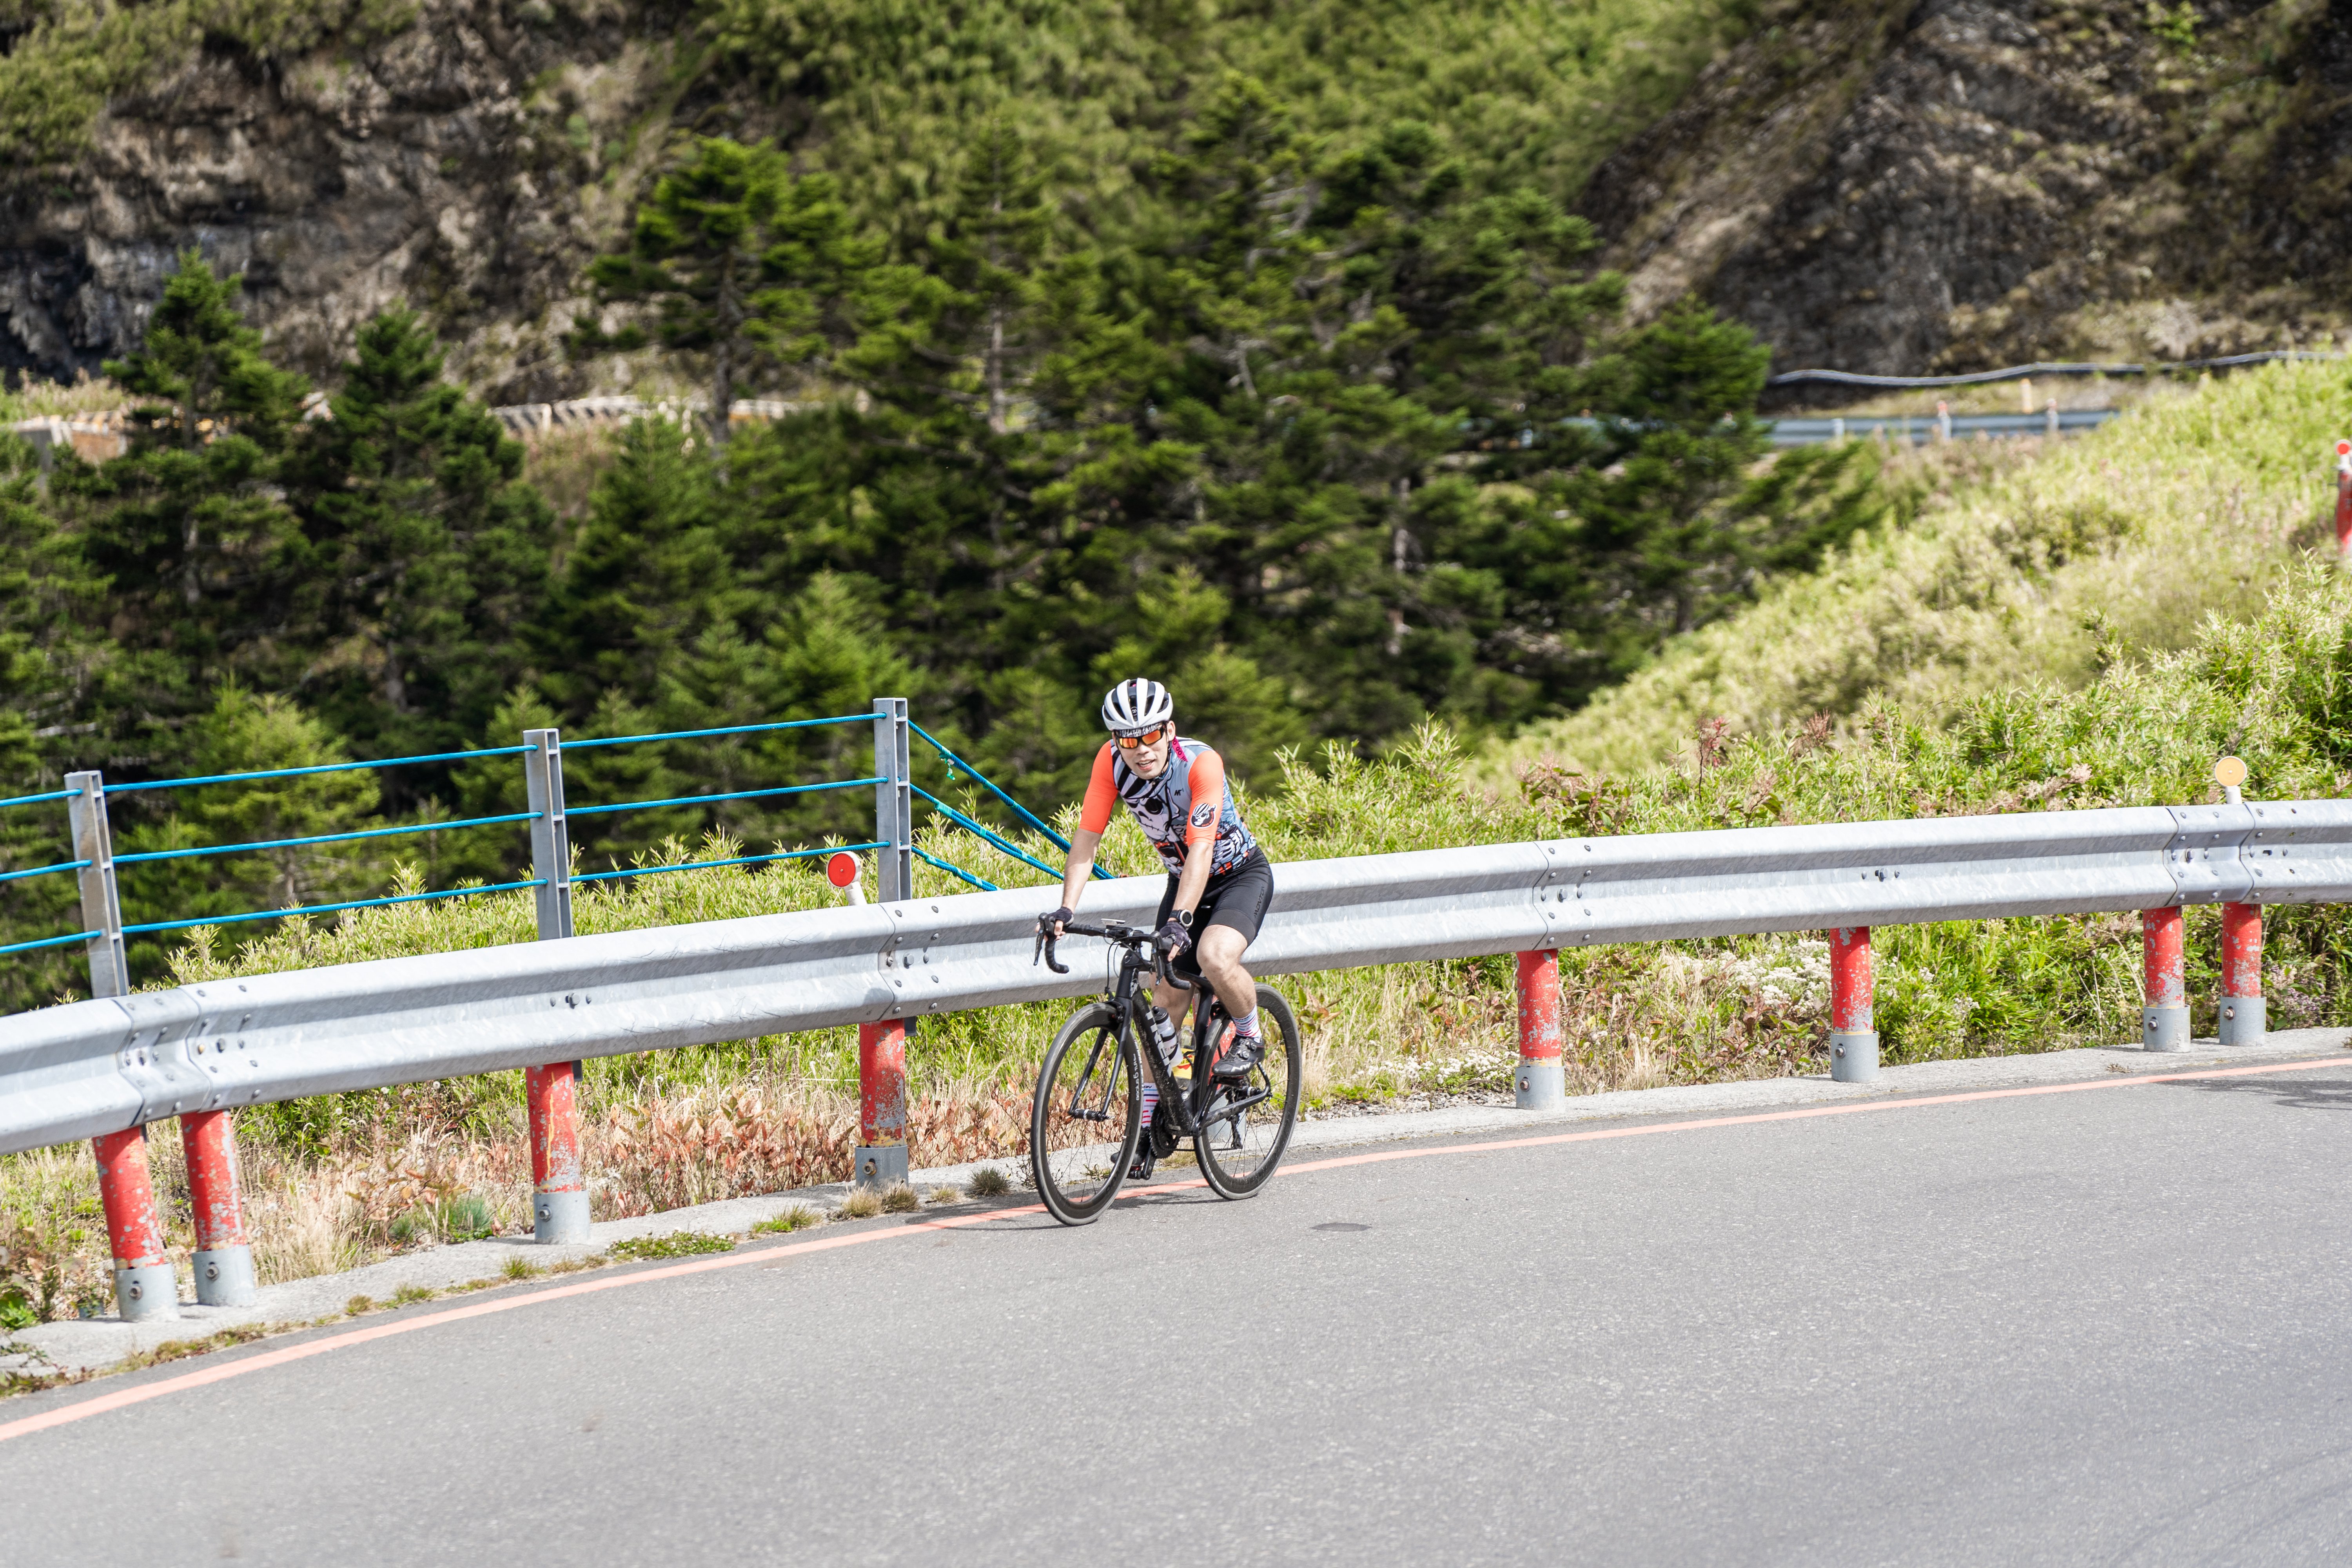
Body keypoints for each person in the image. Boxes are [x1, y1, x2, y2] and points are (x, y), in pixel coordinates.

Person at [1045, 678, 1275, 1179]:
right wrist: (1065, 909)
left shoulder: (1200, 762)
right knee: (1162, 1008)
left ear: (1169, 730)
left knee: (1215, 957)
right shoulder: (1109, 765)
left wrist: (1181, 922)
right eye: (1128, 740)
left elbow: (1201, 851)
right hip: (1182, 881)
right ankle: (1155, 1122)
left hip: (1236, 876)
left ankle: (1251, 1035)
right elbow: (1086, 840)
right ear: (1115, 741)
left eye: (1151, 736)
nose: (1141, 750)